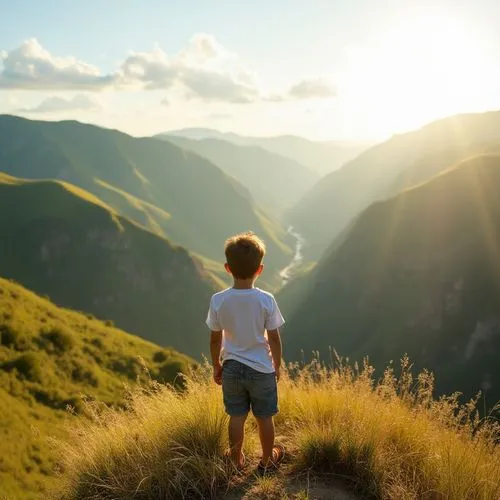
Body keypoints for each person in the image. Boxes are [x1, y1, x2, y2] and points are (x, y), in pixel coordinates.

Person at [206, 231, 285, 473]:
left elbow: (214, 338)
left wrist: (217, 365)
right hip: (261, 369)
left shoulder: (218, 300)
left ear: (227, 268)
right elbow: (273, 337)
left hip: (231, 369)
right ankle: (267, 458)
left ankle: (236, 459)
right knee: (264, 417)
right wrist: (277, 365)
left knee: (236, 416)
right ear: (259, 269)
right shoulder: (266, 300)